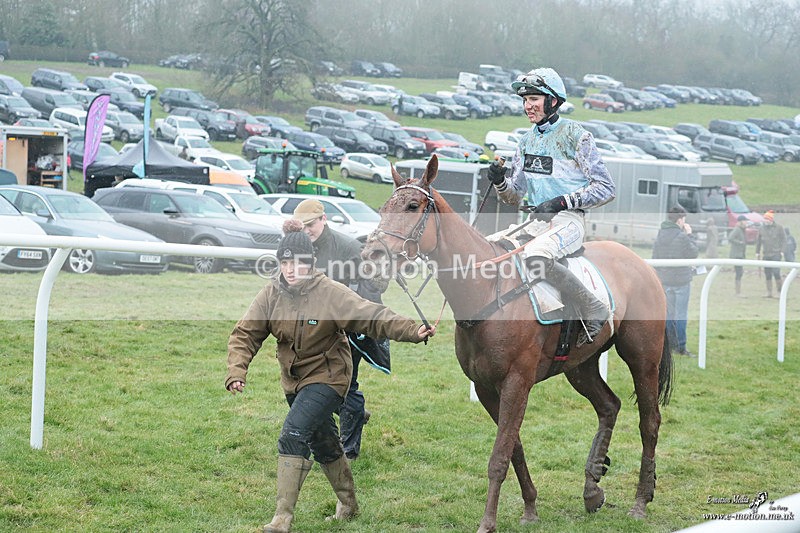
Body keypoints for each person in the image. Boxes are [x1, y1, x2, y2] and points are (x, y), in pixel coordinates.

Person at [225, 224, 434, 533]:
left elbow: (370, 315)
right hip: (294, 382)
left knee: (293, 433)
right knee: (323, 442)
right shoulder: (272, 293)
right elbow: (246, 333)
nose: (291, 270)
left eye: (298, 262)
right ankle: (349, 505)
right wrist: (236, 370)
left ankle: (281, 519)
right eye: (285, 263)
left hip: (330, 378)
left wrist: (412, 331)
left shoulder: (329, 292)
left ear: (311, 263)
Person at [487, 67, 616, 346]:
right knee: (488, 248)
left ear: (553, 101)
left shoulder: (576, 136)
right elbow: (515, 195)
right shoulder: (525, 141)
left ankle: (594, 308)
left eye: (534, 99)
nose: (527, 106)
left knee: (536, 255)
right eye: (524, 100)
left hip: (569, 221)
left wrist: (561, 201)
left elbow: (606, 188)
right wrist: (500, 183)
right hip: (534, 222)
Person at [291, 198, 387, 461]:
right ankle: (352, 413)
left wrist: (352, 325)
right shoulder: (300, 248)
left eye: (311, 224)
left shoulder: (347, 247)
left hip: (348, 331)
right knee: (310, 384)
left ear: (323, 219)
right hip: (313, 330)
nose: (307, 230)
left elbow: (370, 289)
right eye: (303, 226)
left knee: (346, 387)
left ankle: (349, 450)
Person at [652, 205, 698, 357]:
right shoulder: (682, 236)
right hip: (681, 281)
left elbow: (655, 257)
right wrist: (690, 234)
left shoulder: (660, 235)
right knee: (680, 314)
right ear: (679, 220)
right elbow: (693, 253)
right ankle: (681, 346)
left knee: (669, 314)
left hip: (665, 280)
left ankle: (668, 344)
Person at [755, 210, 785, 298]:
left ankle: (780, 292)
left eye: (767, 219)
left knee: (776, 272)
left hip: (776, 253)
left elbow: (784, 240)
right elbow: (758, 241)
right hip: (766, 254)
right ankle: (769, 292)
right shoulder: (761, 229)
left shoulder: (779, 228)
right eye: (765, 219)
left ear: (771, 220)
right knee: (767, 273)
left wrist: (782, 251)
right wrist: (757, 252)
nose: (765, 221)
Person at [728, 215, 748, 297]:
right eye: (745, 221)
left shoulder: (742, 230)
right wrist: (739, 242)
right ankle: (738, 292)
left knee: (740, 272)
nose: (746, 222)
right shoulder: (737, 229)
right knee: (739, 272)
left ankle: (738, 292)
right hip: (736, 255)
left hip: (740, 254)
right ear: (741, 222)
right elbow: (730, 238)